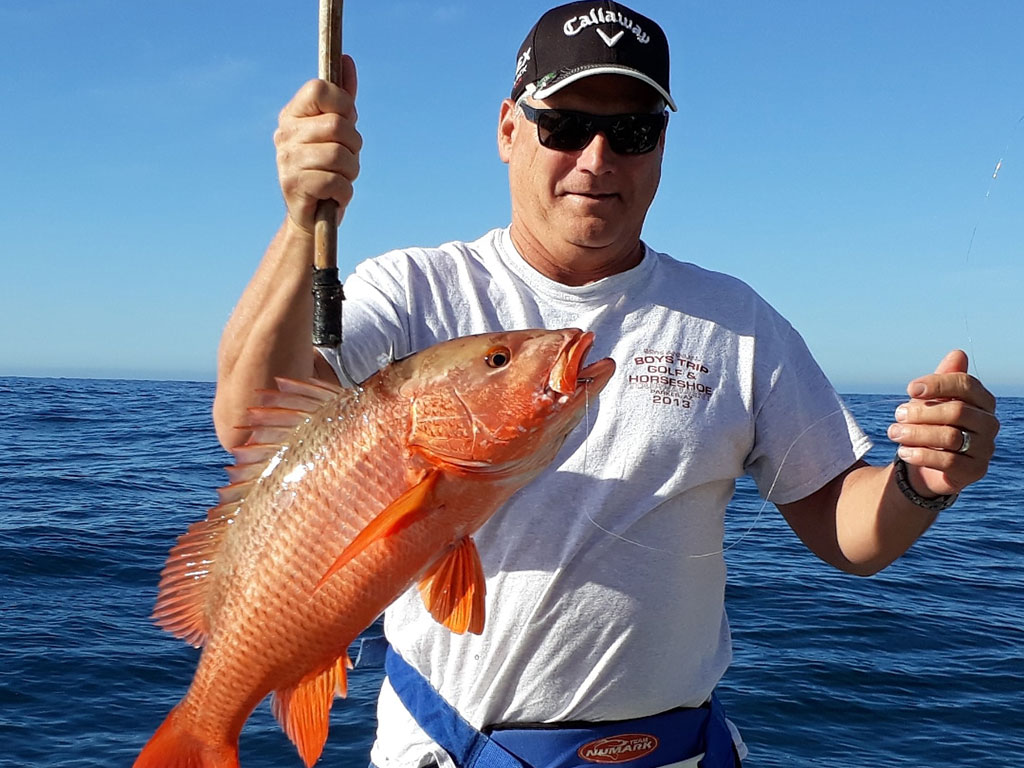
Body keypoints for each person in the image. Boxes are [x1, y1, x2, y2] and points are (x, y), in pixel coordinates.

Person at [213, 2, 1000, 766]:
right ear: (508, 130)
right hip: (444, 752)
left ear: (661, 147)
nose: (597, 158)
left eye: (631, 131)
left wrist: (920, 483)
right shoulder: (415, 291)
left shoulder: (737, 323)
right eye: (563, 125)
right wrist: (300, 221)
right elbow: (254, 423)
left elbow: (844, 529)